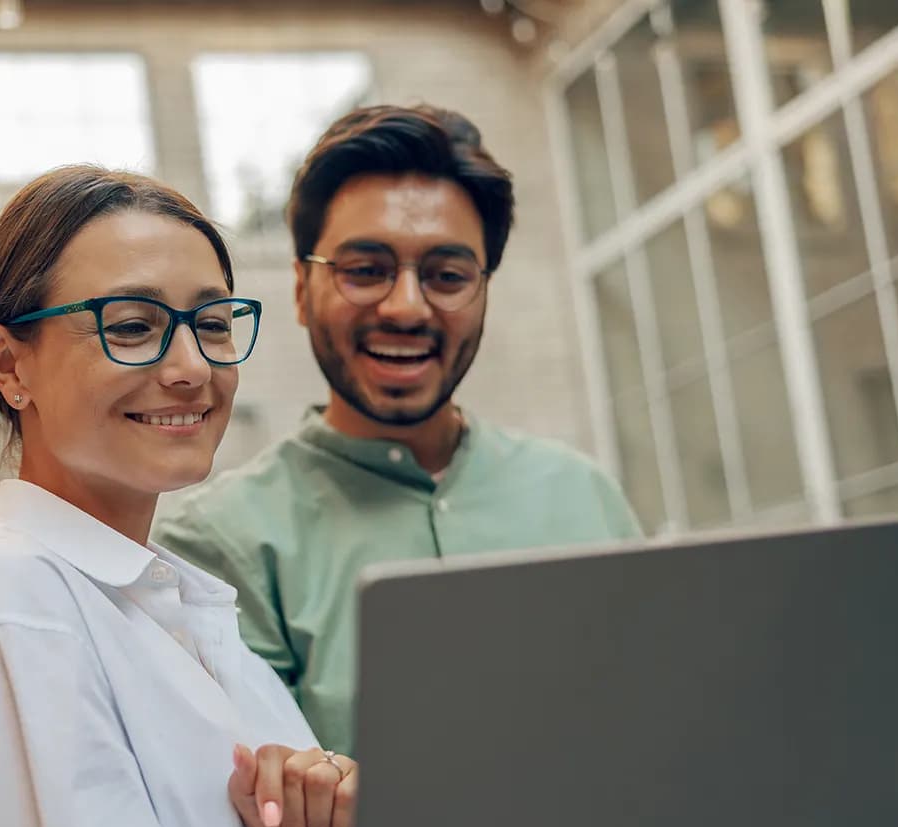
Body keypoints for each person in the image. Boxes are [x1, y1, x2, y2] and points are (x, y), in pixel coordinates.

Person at [0, 164, 898, 827]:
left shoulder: (184, 620)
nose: (188, 367)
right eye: (131, 327)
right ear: (8, 363)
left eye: (213, 323)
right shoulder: (12, 621)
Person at [154, 105, 640, 762]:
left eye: (447, 275)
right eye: (365, 269)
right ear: (301, 289)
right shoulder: (213, 547)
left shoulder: (584, 495)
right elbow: (246, 826)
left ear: (484, 290)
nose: (407, 307)